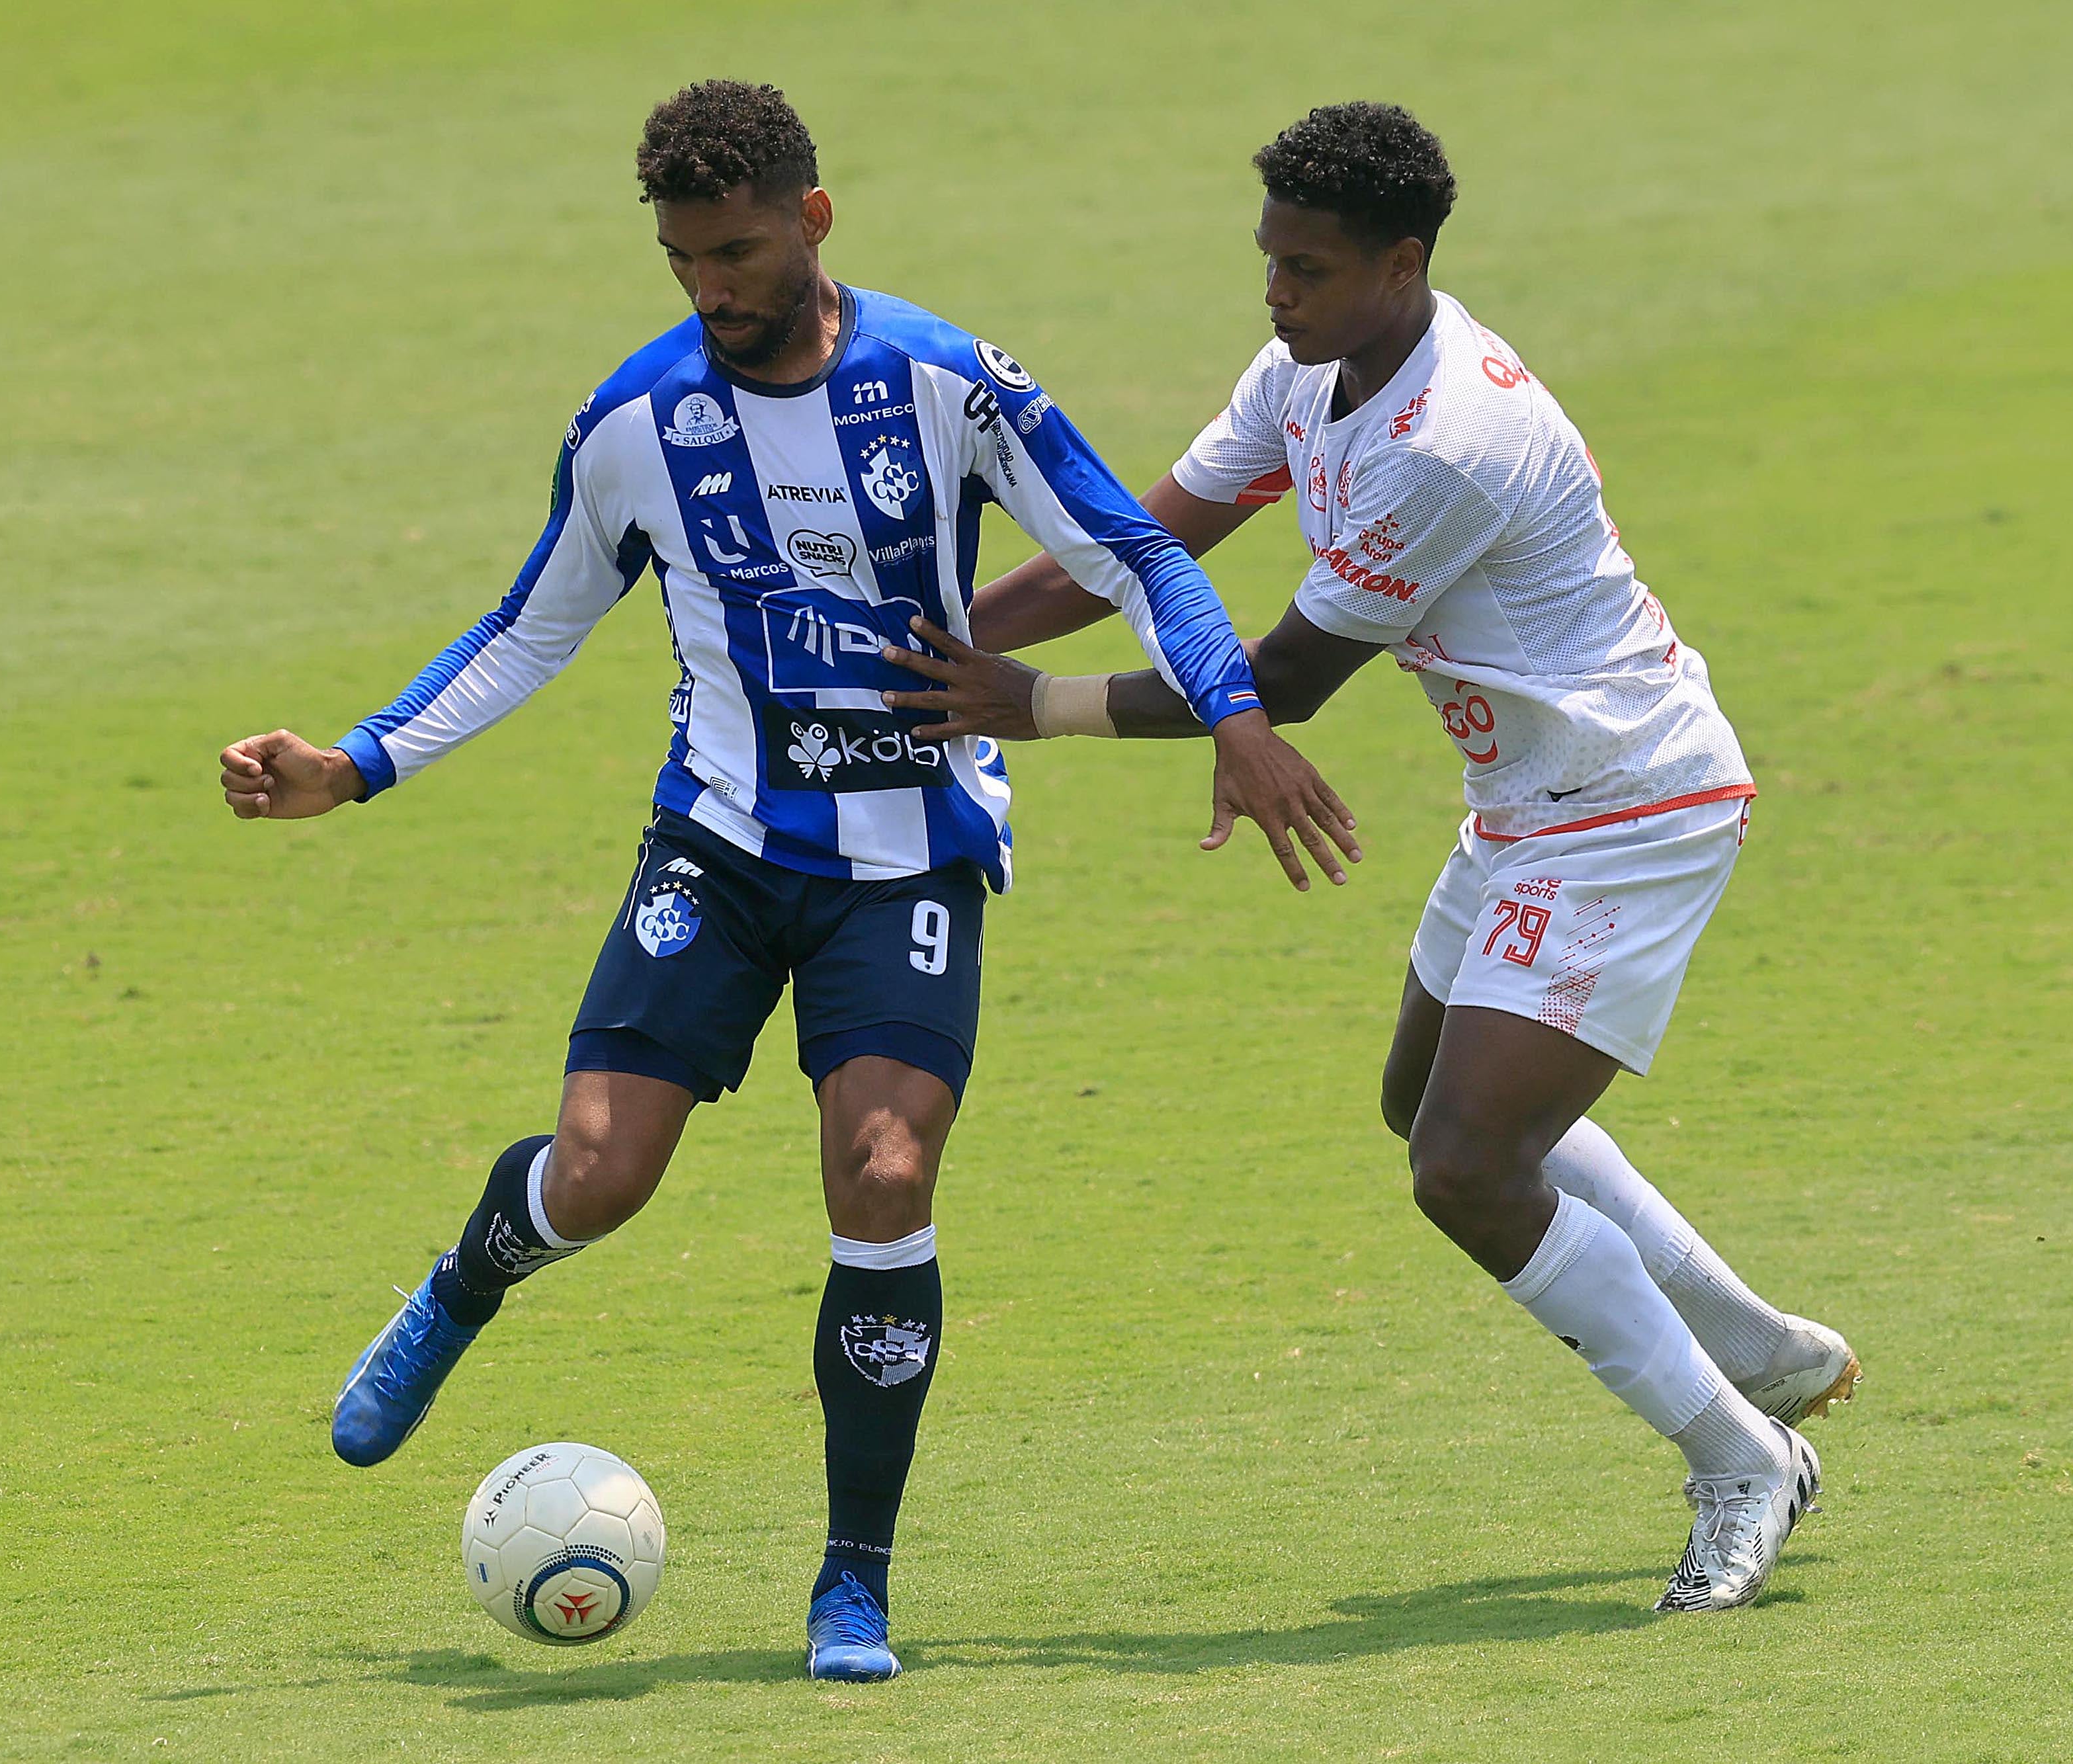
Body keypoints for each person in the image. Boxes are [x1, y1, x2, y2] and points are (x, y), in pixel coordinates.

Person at [215, 79, 1353, 1680]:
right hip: (723, 840)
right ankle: (464, 1281)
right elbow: (531, 622)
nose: (711, 290)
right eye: (683, 260)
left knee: (882, 1175)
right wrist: (357, 762)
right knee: (600, 1178)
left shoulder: (947, 383)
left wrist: (1231, 719)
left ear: (812, 221)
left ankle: (852, 1582)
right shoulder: (636, 422)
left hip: (908, 859)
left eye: (736, 251)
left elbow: (1137, 550)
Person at [882, 101, 1859, 1613]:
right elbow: (1150, 536)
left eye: (1308, 270)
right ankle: (1751, 1345)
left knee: (1464, 1165)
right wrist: (946, 637)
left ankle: (1739, 1457)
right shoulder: (1308, 370)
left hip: (1626, 803)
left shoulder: (1448, 443)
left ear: (1401, 264)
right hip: (1528, 800)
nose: (1274, 296)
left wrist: (1028, 708)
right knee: (1423, 1101)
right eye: (1268, 262)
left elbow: (1275, 682)